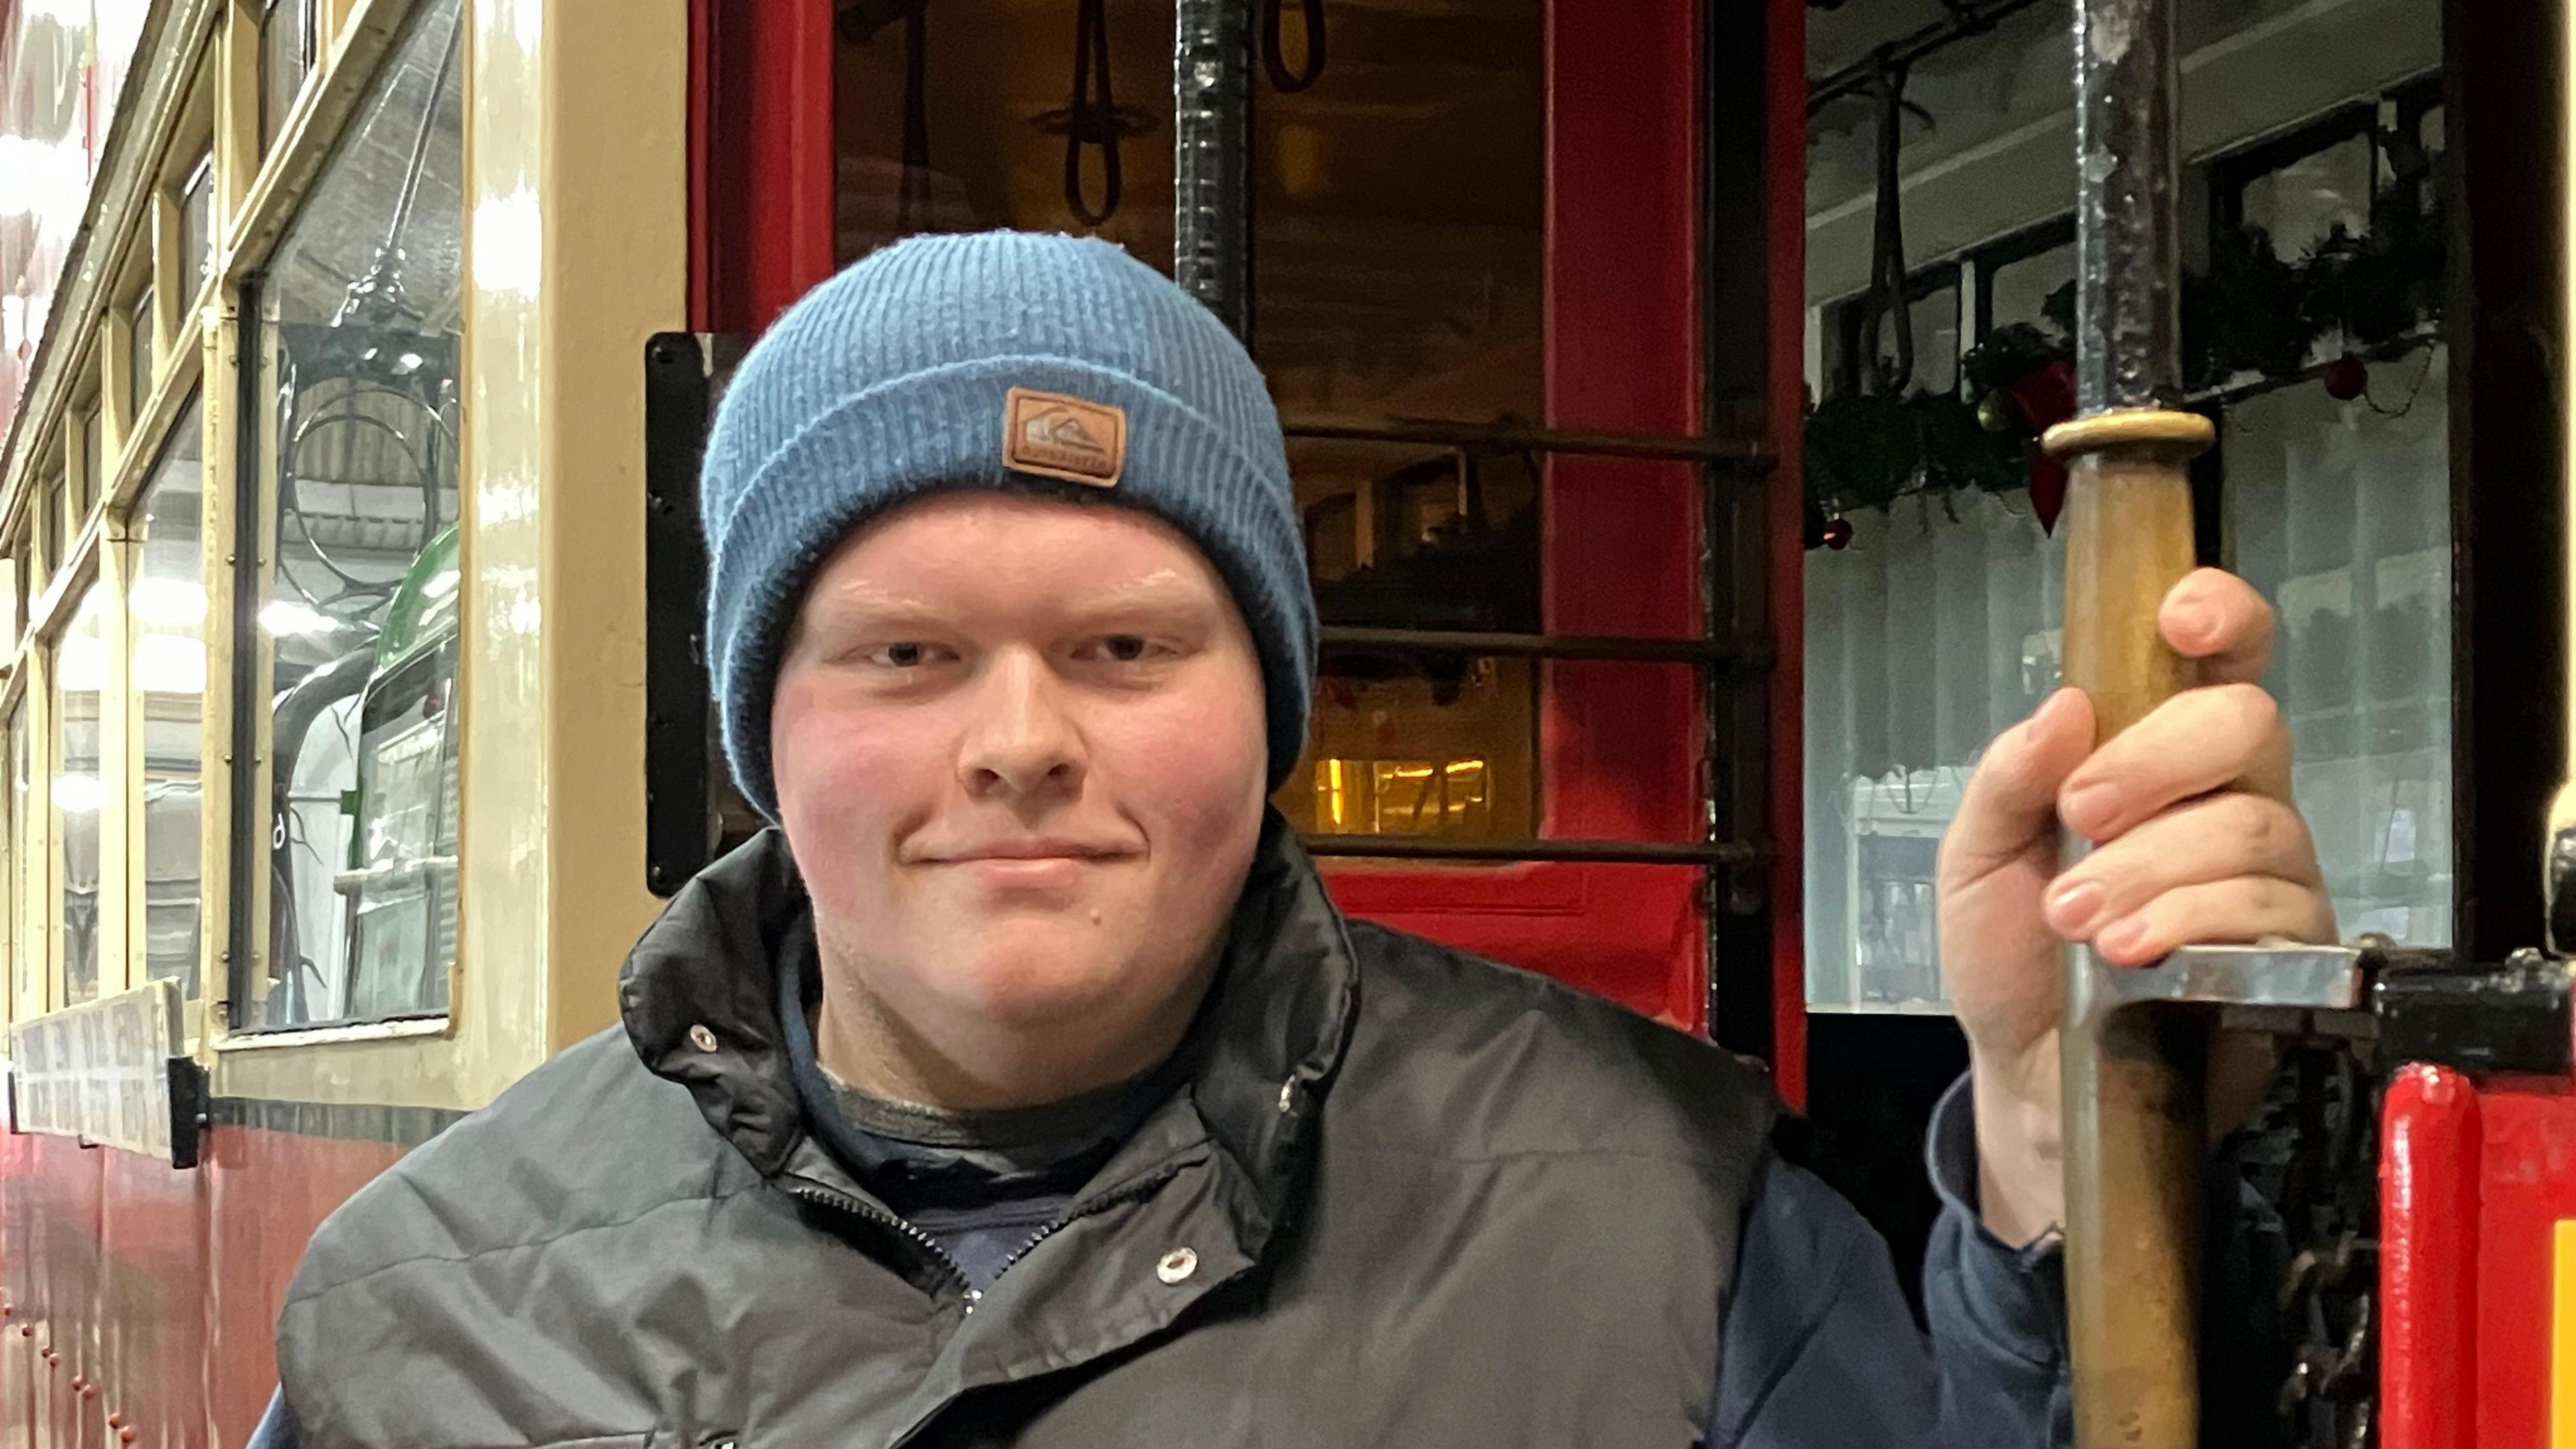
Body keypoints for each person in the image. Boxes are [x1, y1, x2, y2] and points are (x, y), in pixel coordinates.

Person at [246, 232, 2332, 1448]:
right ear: (759, 736)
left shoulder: (1671, 1225)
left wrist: (2073, 1200)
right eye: (900, 655)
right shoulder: (423, 1309)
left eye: (1126, 644)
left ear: (1274, 714)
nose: (1020, 744)